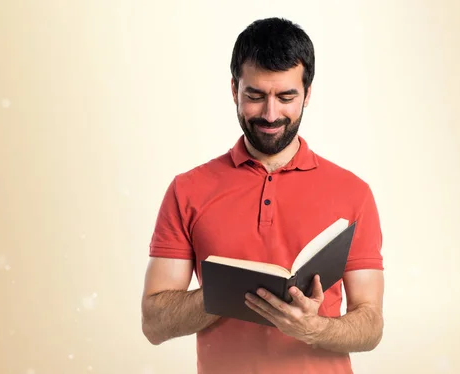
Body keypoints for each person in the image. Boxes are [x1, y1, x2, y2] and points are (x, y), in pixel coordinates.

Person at [141, 17, 385, 374]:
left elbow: (371, 325)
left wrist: (314, 328)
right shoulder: (187, 190)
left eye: (286, 97)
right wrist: (231, 294)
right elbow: (154, 324)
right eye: (255, 96)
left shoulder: (353, 192)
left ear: (308, 93)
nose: (270, 115)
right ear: (234, 89)